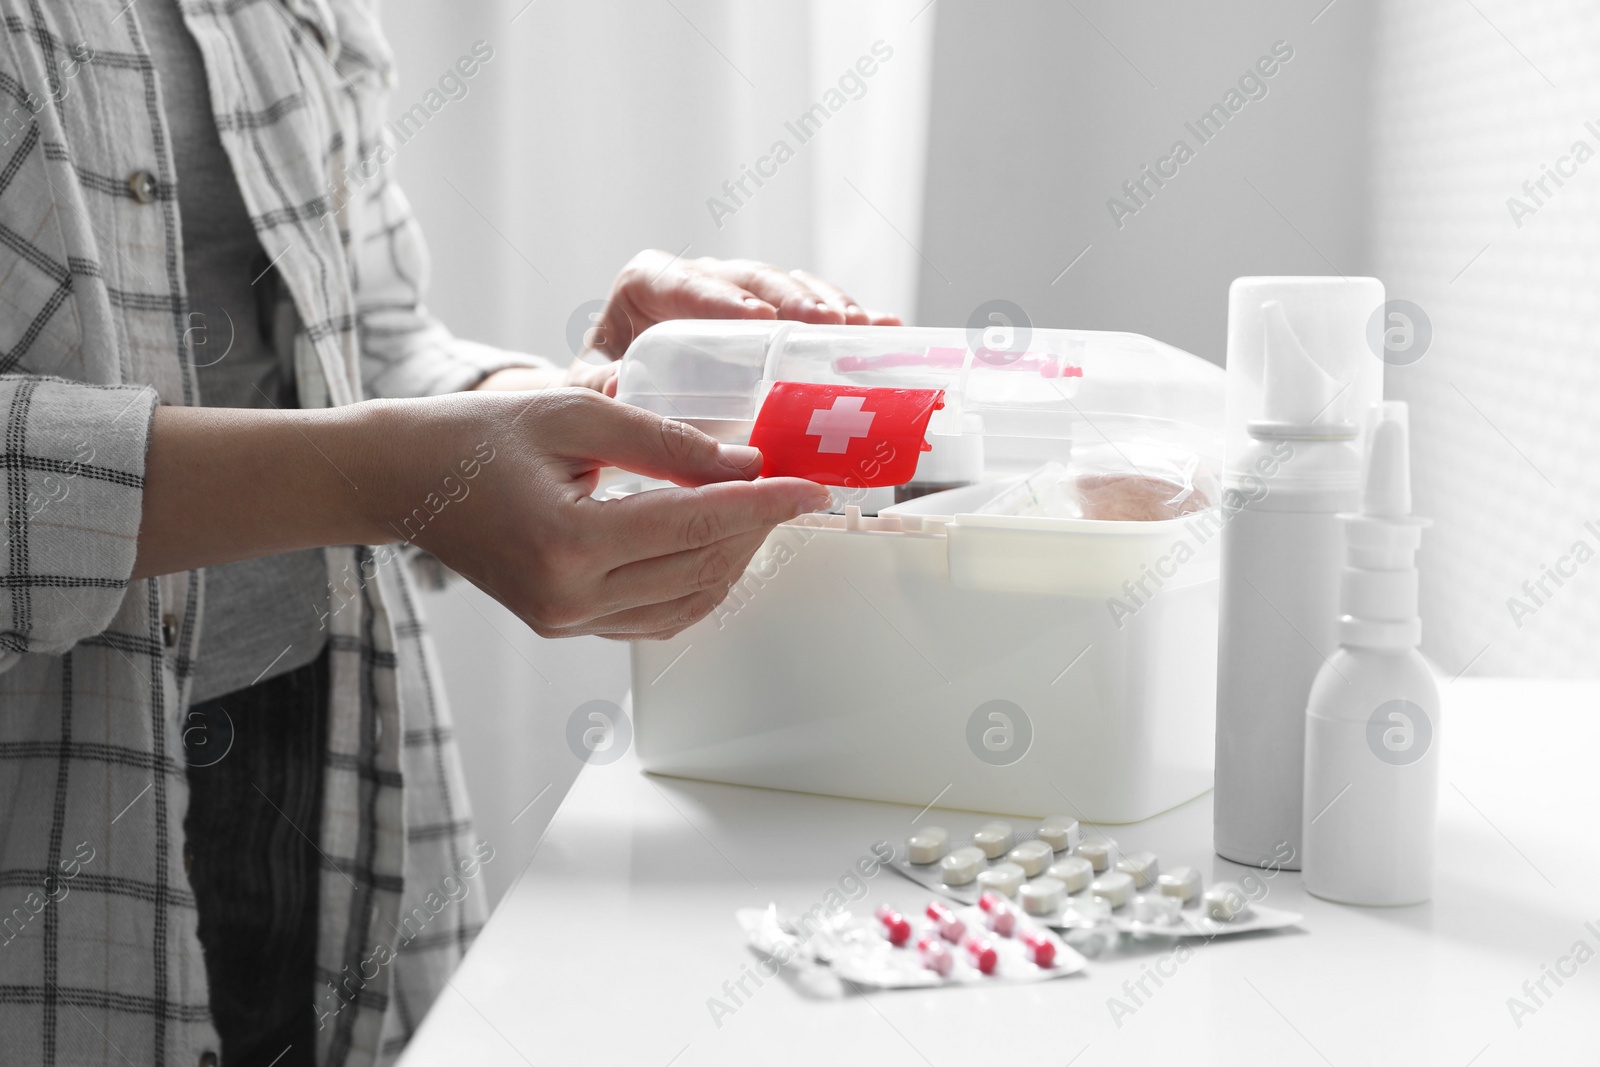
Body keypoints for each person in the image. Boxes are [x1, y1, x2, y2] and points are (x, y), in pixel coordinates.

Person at [0, 3, 897, 1066]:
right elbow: (371, 444)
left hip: (316, 743)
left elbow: (367, 340)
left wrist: (588, 397)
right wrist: (389, 472)